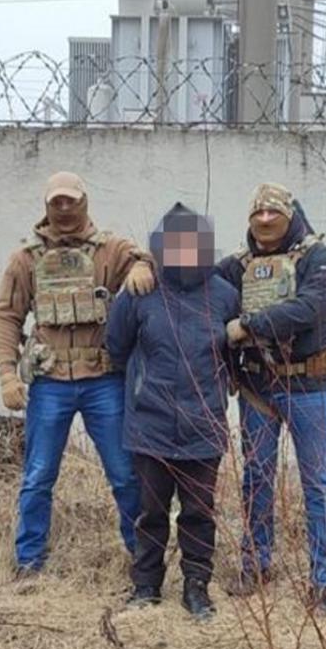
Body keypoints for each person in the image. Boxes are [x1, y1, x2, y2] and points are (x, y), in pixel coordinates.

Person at [0, 171, 156, 576]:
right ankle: (29, 563)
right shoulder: (25, 258)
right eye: (56, 202)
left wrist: (139, 267)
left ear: (85, 202)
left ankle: (143, 560)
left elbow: (146, 259)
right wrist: (7, 376)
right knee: (38, 475)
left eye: (71, 201)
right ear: (46, 206)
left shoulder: (110, 249)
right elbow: (7, 317)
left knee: (124, 475)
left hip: (103, 380)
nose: (64, 208)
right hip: (49, 384)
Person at [105, 203, 240, 620]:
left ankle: (196, 589)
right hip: (151, 426)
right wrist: (145, 388)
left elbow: (234, 355)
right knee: (151, 513)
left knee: (199, 514)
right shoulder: (139, 292)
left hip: (204, 427)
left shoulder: (224, 295)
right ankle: (146, 587)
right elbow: (116, 348)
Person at [220, 182, 326, 614]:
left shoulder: (317, 259)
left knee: (320, 485)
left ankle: (325, 581)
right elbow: (200, 292)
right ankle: (256, 565)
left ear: (290, 216)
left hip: (311, 385)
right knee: (256, 478)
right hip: (257, 388)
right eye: (259, 214)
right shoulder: (235, 267)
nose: (266, 220)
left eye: (274, 213)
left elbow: (310, 308)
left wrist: (249, 326)